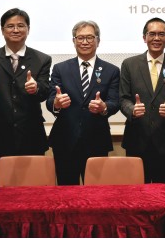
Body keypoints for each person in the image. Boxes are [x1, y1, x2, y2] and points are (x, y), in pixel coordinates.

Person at [0, 8, 52, 187]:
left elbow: (45, 92)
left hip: (31, 136)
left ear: (28, 29)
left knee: (33, 192)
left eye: (20, 26)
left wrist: (36, 88)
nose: (15, 30)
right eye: (10, 26)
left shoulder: (42, 59)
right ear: (2, 30)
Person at [46, 20, 120, 185]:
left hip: (97, 140)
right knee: (67, 192)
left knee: (96, 193)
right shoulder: (60, 69)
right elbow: (50, 101)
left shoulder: (111, 70)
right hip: (65, 140)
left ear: (98, 41)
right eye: (80, 38)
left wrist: (104, 107)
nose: (85, 42)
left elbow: (115, 102)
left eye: (90, 37)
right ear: (74, 41)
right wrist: (56, 104)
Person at [119, 17, 165, 183]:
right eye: (152, 34)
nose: (157, 38)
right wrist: (132, 110)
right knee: (137, 193)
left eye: (161, 34)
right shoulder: (129, 65)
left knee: (164, 192)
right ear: (144, 37)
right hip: (136, 140)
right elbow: (123, 98)